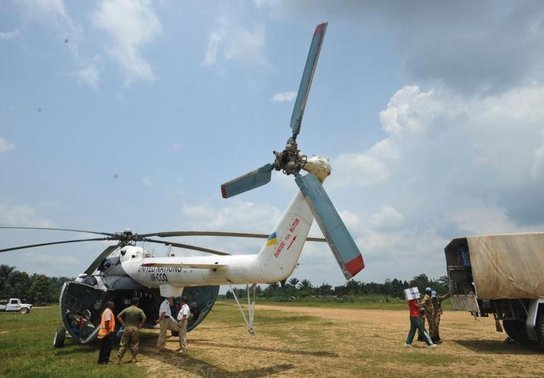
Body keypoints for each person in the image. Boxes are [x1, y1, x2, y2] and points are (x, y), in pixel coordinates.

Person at [116, 297, 147, 364]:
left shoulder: (127, 309)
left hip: (127, 328)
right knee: (134, 343)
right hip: (135, 328)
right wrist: (141, 324)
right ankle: (133, 358)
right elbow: (144, 317)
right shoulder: (139, 310)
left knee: (123, 343)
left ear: (131, 302)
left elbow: (118, 316)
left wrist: (123, 324)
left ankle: (119, 359)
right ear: (137, 303)